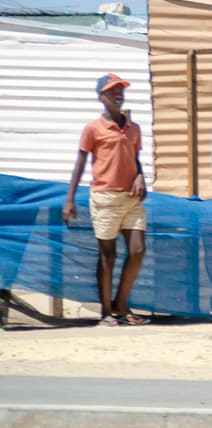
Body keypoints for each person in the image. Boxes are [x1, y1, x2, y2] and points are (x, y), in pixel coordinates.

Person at [61, 73, 149, 327]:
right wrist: (70, 200)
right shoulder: (93, 128)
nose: (118, 95)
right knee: (107, 256)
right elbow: (80, 162)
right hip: (104, 197)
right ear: (101, 97)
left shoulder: (133, 128)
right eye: (112, 92)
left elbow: (135, 159)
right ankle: (107, 312)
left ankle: (121, 304)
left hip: (131, 198)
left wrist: (140, 176)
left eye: (120, 91)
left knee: (138, 250)